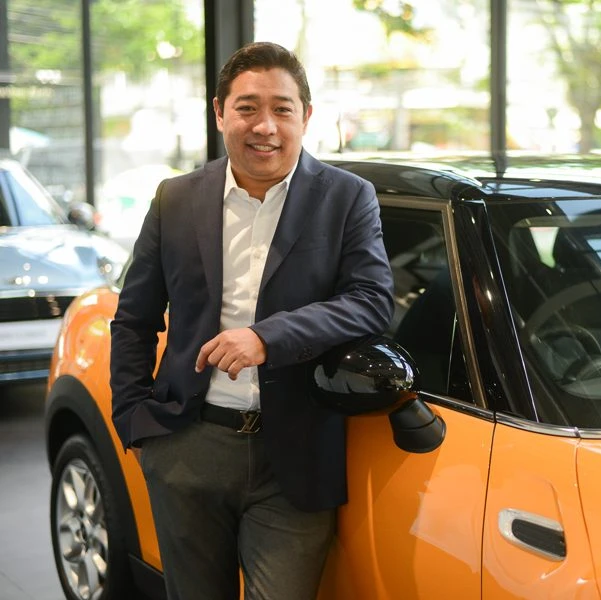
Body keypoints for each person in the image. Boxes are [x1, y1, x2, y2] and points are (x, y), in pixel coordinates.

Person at [109, 41, 394, 600]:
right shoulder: (175, 199)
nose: (265, 126)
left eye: (282, 109)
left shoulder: (346, 197)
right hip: (187, 443)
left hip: (294, 454)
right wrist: (135, 420)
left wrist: (268, 338)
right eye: (247, 108)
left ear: (305, 116)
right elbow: (134, 318)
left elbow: (370, 300)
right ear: (220, 113)